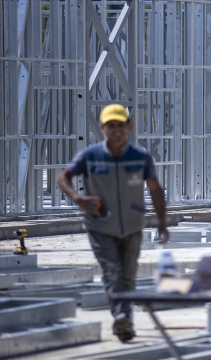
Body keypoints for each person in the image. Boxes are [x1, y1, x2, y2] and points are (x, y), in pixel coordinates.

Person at [56, 104, 169, 342]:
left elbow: (156, 190)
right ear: (103, 128)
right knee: (112, 271)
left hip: (132, 224)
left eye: (120, 125)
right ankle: (122, 318)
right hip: (100, 225)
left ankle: (124, 319)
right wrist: (78, 199)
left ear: (129, 126)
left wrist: (162, 222)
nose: (116, 130)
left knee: (128, 275)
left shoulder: (140, 157)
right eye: (111, 126)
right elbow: (63, 177)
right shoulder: (90, 156)